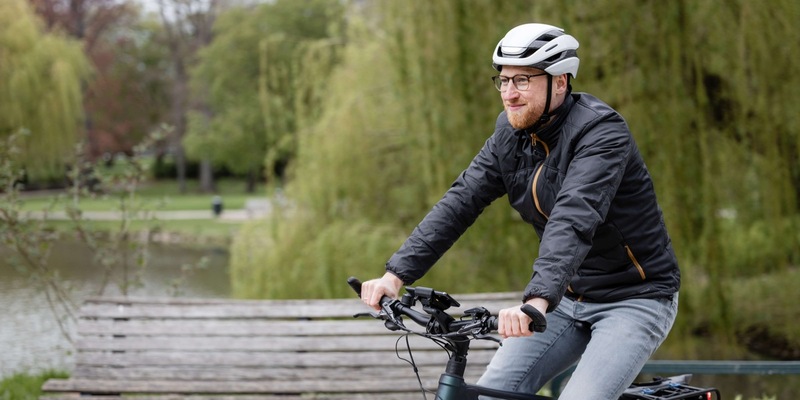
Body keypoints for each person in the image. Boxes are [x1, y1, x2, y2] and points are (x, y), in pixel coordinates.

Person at [358, 23, 680, 400]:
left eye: (523, 80)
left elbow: (574, 218)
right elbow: (460, 202)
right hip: (567, 297)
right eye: (504, 80)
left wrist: (536, 300)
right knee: (490, 395)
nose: (509, 93)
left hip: (635, 298)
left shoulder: (602, 133)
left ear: (560, 82)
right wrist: (395, 275)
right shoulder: (509, 136)